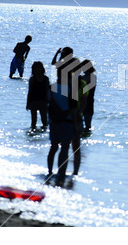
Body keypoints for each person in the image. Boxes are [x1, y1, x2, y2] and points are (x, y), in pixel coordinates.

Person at [47, 47, 85, 179]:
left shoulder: (54, 86)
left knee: (56, 147)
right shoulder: (69, 87)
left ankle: (53, 172)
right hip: (66, 121)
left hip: (55, 121)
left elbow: (49, 105)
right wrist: (75, 124)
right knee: (62, 148)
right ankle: (61, 173)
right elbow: (73, 108)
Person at [27, 61, 49, 131]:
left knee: (44, 120)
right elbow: (30, 92)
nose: (37, 69)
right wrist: (28, 103)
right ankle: (33, 131)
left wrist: (49, 101)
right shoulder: (32, 79)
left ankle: (44, 132)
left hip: (43, 101)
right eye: (35, 68)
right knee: (33, 121)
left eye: (39, 67)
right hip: (33, 101)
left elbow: (48, 91)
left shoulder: (46, 79)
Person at [80, 59, 96, 132]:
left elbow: (89, 88)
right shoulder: (81, 78)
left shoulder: (93, 77)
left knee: (88, 125)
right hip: (80, 102)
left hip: (89, 102)